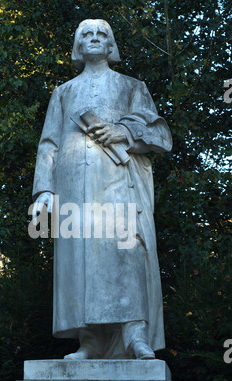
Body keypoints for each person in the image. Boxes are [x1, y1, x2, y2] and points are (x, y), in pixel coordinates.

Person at [32, 19, 172, 360]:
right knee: (79, 262)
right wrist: (43, 192)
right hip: (71, 190)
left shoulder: (131, 87)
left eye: (101, 35)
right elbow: (49, 144)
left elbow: (160, 134)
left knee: (126, 252)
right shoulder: (63, 92)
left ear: (111, 46)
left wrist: (123, 132)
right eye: (86, 35)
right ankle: (89, 342)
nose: (94, 39)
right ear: (78, 47)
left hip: (118, 184)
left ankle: (135, 335)